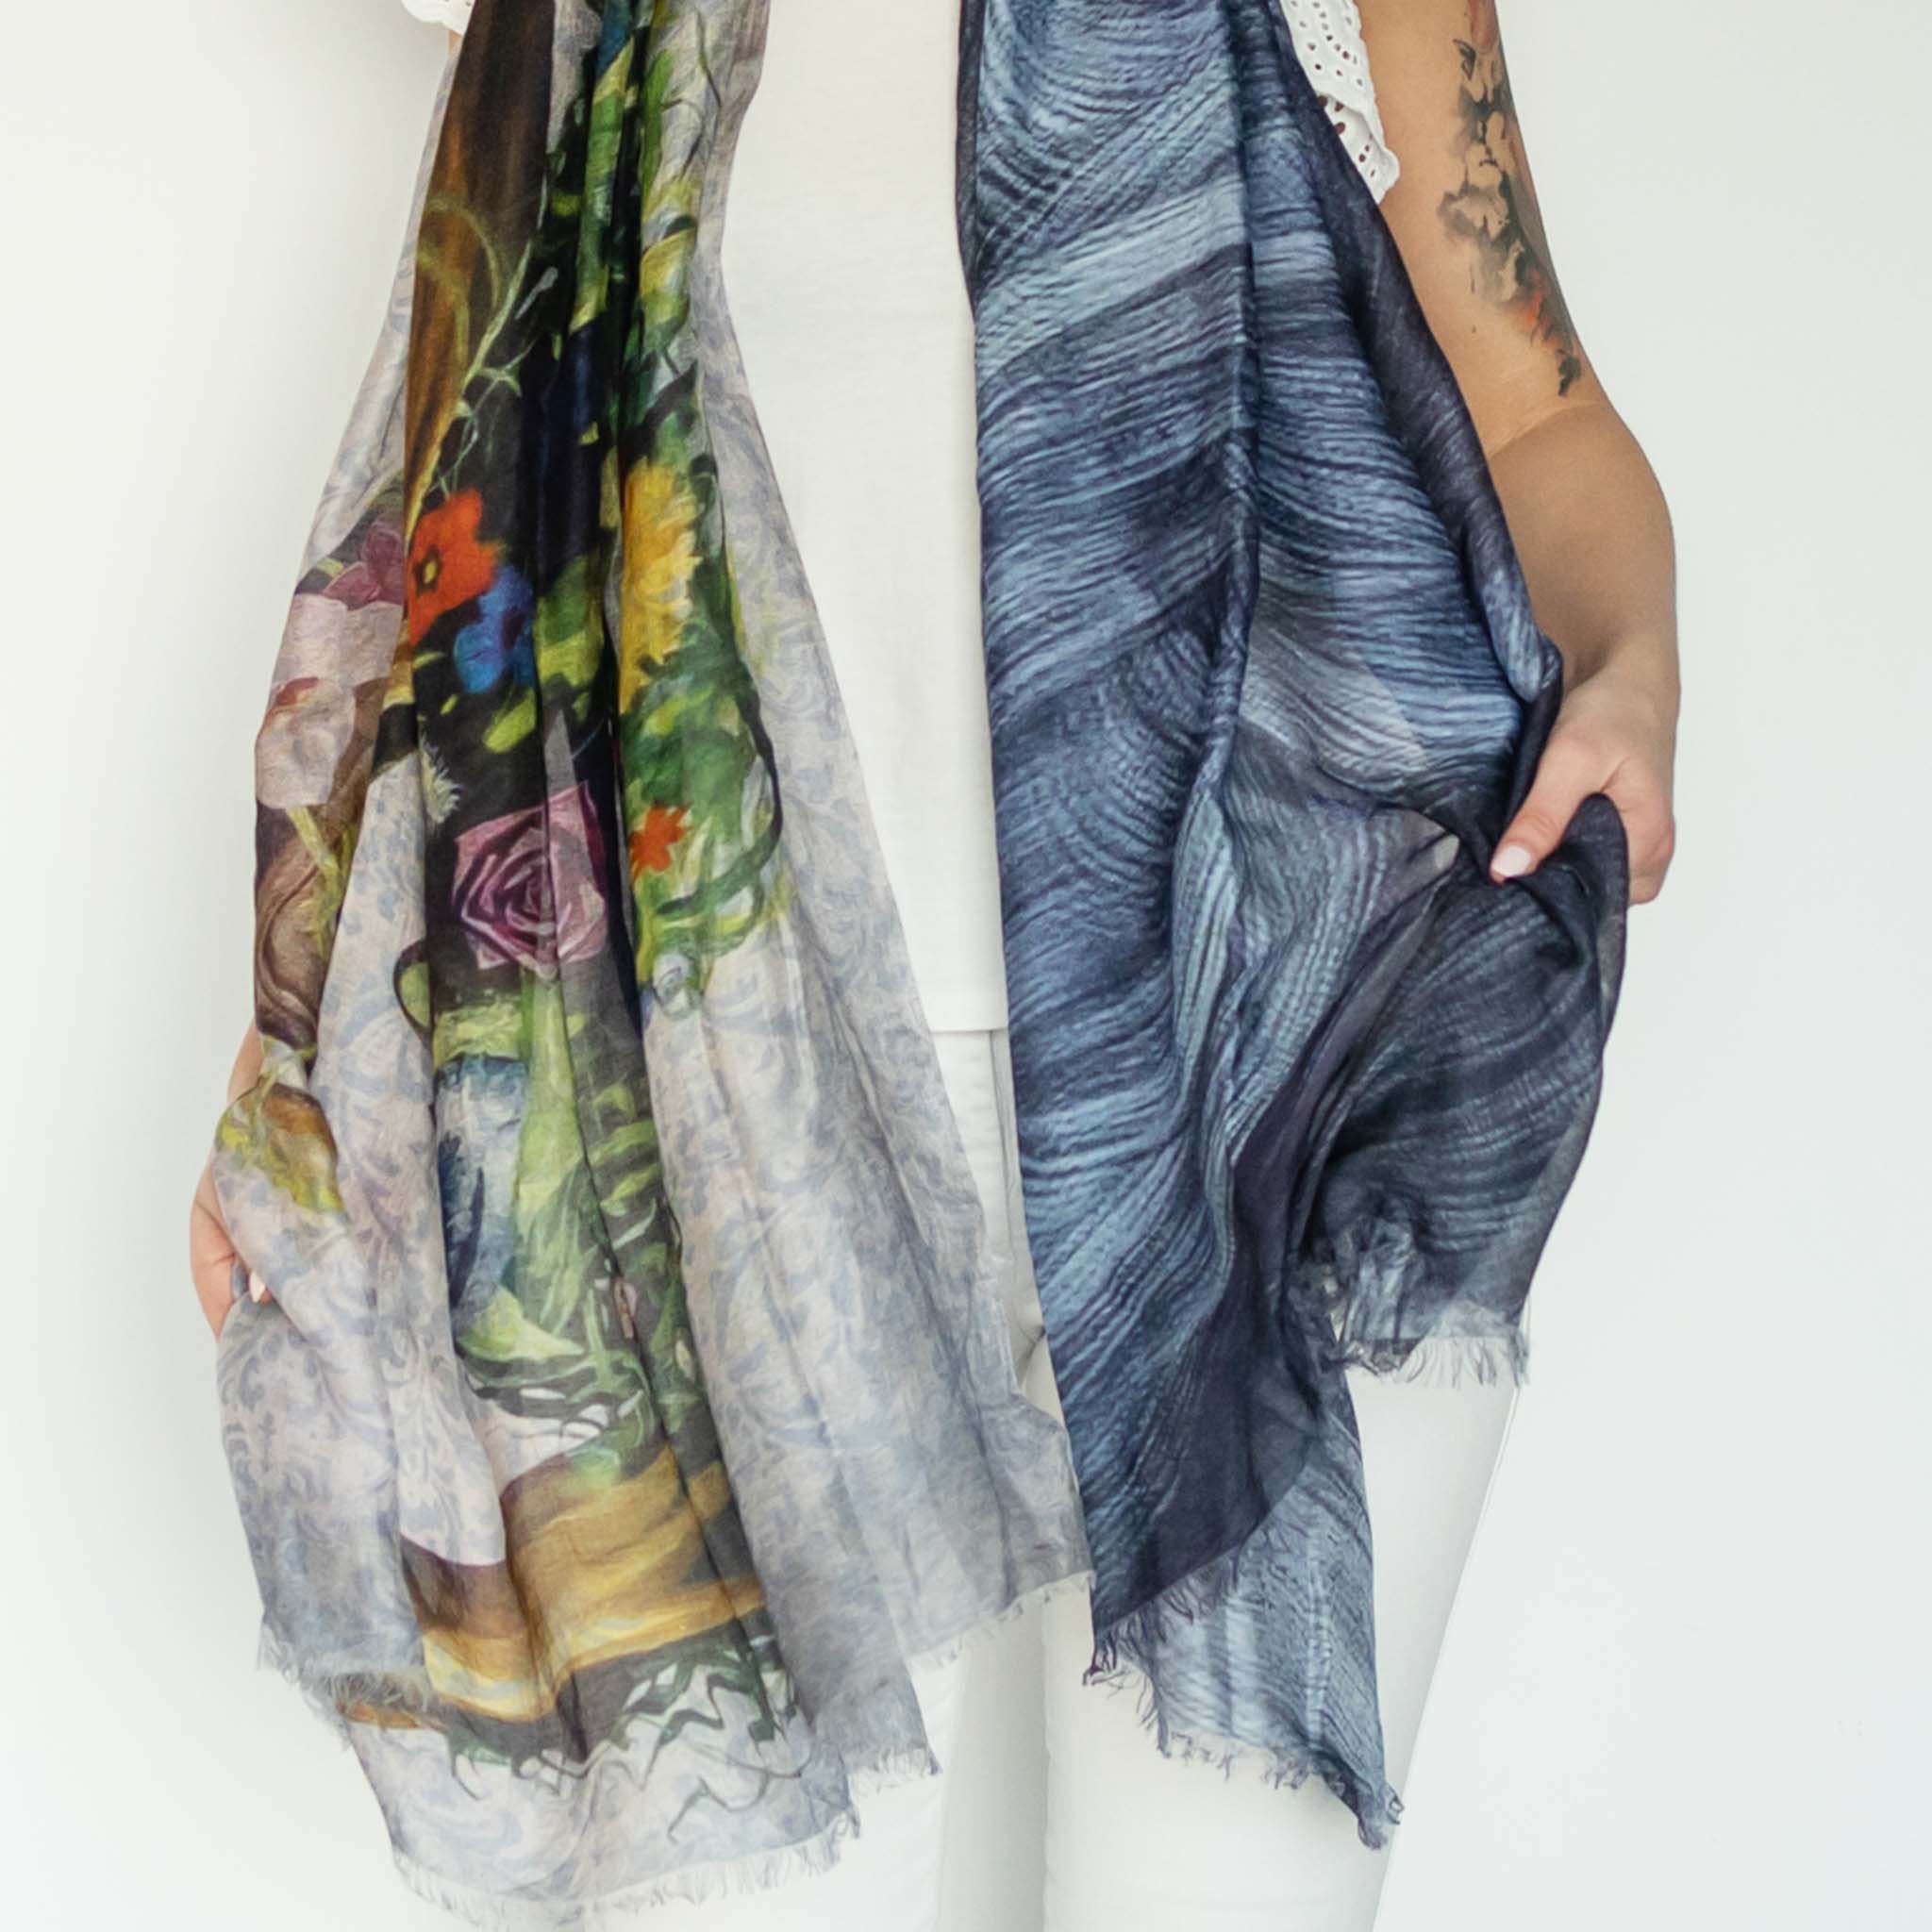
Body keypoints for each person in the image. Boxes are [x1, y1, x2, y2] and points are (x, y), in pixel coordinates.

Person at [189, 3, 1676, 1926]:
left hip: (1286, 1076)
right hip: (737, 1140)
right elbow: (459, 490)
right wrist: (302, 1038)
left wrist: (1631, 665)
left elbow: (1535, 412)